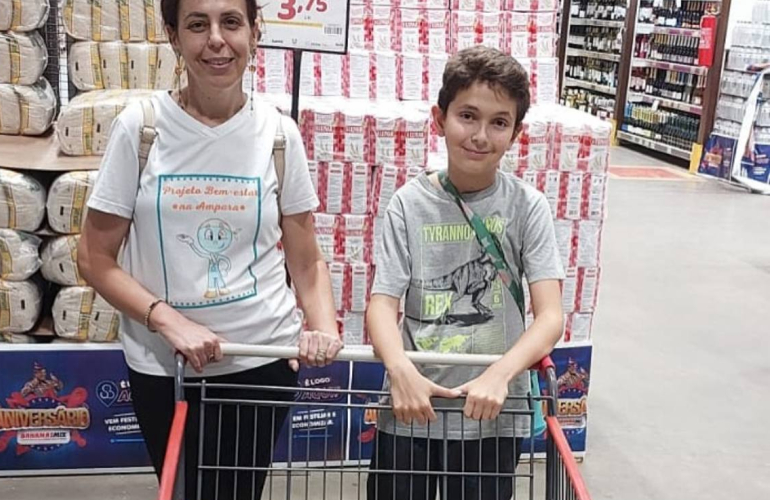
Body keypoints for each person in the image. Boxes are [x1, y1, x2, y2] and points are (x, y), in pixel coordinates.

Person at [77, 0, 342, 498]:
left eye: (231, 22)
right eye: (198, 25)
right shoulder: (142, 127)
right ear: (173, 36)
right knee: (183, 490)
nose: (216, 40)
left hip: (260, 358)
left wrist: (323, 327)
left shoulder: (278, 134)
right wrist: (167, 320)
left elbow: (306, 260)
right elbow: (94, 258)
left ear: (255, 32)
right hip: (167, 366)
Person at [366, 46, 565, 500]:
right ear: (440, 119)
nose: (479, 135)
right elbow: (382, 304)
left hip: (492, 417)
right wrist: (399, 369)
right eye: (467, 116)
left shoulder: (527, 207)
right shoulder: (408, 204)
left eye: (498, 122)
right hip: (412, 410)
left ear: (516, 133)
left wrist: (501, 374)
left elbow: (550, 316)